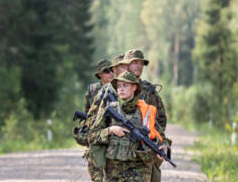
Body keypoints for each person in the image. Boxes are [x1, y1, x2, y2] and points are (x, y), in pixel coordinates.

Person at [87, 72, 168, 182]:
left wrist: (163, 146)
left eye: (125, 85)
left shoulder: (146, 111)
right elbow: (91, 136)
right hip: (113, 170)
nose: (121, 89)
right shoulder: (110, 109)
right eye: (119, 86)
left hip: (139, 171)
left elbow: (159, 136)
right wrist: (110, 130)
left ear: (134, 87)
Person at [122, 49, 171, 182]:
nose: (138, 66)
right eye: (135, 63)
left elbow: (160, 118)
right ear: (126, 65)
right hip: (121, 149)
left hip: (145, 148)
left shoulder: (149, 90)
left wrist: (157, 139)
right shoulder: (118, 88)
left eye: (141, 63)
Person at [72, 59, 113, 181]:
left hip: (112, 136)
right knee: (97, 175)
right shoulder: (93, 90)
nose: (111, 73)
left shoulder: (119, 88)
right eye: (106, 71)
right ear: (99, 74)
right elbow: (87, 112)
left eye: (112, 70)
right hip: (96, 137)